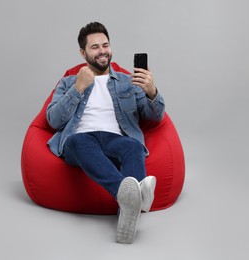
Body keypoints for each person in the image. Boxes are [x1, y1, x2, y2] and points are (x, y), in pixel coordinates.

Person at [46, 22, 165, 244]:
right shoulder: (68, 82)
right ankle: (135, 195)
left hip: (115, 140)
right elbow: (53, 120)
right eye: (94, 47)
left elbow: (154, 116)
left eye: (105, 45)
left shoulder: (128, 81)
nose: (102, 51)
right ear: (83, 52)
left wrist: (151, 92)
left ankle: (127, 217)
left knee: (133, 146)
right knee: (80, 140)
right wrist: (78, 88)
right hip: (80, 142)